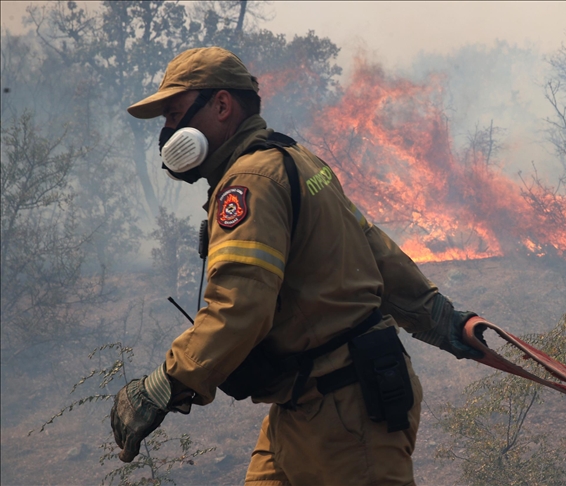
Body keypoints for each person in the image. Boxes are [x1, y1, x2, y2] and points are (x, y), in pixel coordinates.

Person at [110, 46, 483, 486]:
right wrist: (438, 316)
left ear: (222, 105)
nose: (168, 132)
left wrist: (164, 385)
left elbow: (239, 308)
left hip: (344, 417)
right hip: (304, 406)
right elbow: (373, 247)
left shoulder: (250, 182)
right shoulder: (294, 158)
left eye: (175, 115)